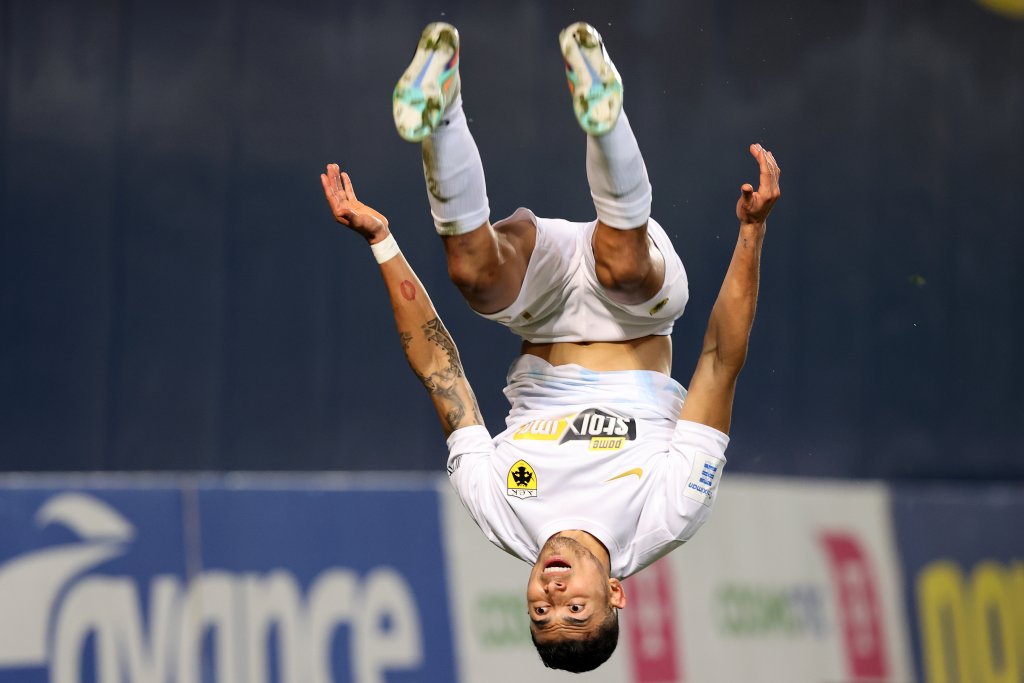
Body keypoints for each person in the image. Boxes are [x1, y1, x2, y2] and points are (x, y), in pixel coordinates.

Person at [321, 21, 780, 674]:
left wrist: (382, 242)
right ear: (615, 593)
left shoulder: (500, 513)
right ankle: (604, 117)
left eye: (540, 611)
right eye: (576, 608)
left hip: (544, 306)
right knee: (621, 264)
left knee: (472, 274)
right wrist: (752, 233)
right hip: (638, 312)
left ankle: (442, 107)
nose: (553, 594)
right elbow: (718, 363)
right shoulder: (668, 514)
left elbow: (441, 371)